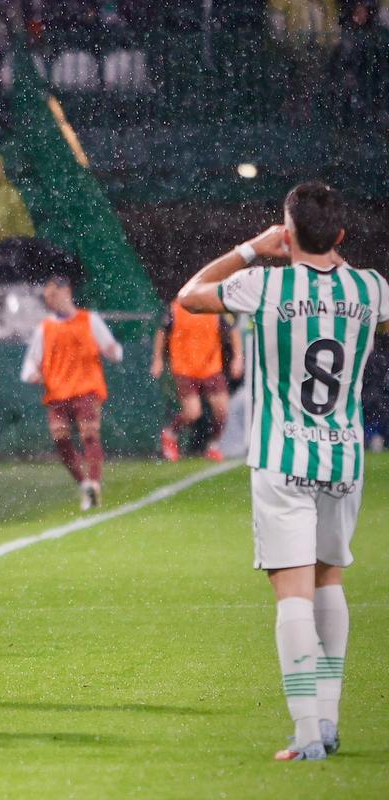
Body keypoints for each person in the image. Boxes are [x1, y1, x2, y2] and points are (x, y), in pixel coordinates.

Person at [178, 182, 389, 762]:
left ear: (287, 234)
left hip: (283, 457)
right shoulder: (371, 287)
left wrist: (252, 248)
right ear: (341, 234)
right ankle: (329, 721)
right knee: (329, 581)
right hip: (343, 457)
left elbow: (189, 296)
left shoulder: (265, 283)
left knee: (292, 593)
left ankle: (306, 732)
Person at [20, 275, 123, 511]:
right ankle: (84, 484)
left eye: (53, 295)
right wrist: (32, 374)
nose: (50, 300)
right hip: (57, 393)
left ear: (66, 292)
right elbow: (30, 362)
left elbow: (113, 350)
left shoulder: (89, 320)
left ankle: (94, 484)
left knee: (90, 435)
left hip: (86, 390)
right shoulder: (45, 328)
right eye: (47, 296)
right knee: (61, 439)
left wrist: (113, 352)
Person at [151, 299, 244, 462]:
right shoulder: (177, 308)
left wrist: (238, 357)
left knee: (222, 411)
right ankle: (171, 433)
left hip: (211, 367)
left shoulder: (214, 307)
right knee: (193, 413)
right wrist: (158, 359)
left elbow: (233, 330)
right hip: (184, 368)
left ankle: (213, 445)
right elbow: (162, 332)